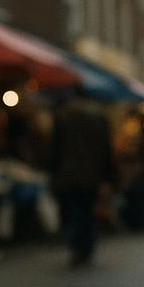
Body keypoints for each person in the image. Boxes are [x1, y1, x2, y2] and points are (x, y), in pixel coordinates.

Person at [48, 91, 114, 267]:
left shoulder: (63, 116)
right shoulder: (99, 117)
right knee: (86, 211)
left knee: (73, 210)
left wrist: (53, 172)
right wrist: (107, 176)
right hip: (91, 175)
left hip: (68, 173)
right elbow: (106, 150)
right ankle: (85, 247)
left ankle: (77, 245)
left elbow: (55, 149)